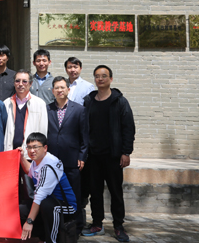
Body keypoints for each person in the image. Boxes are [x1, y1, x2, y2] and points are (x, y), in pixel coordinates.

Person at [81, 65, 135, 243]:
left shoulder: (120, 101)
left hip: (113, 156)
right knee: (95, 192)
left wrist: (126, 152)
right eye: (97, 76)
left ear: (110, 79)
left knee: (115, 192)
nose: (100, 79)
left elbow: (128, 128)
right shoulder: (89, 101)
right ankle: (97, 224)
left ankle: (118, 226)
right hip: (93, 156)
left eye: (104, 76)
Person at [46, 76, 89, 235]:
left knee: (73, 194)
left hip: (72, 160)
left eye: (62, 87)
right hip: (52, 160)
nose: (60, 90)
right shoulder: (47, 109)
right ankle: (57, 226)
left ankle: (76, 227)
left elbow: (84, 136)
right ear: (53, 91)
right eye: (56, 88)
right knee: (54, 193)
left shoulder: (79, 110)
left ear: (68, 90)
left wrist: (82, 157)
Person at [19, 132, 77, 243]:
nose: (32, 151)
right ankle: (41, 236)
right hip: (48, 202)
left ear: (45, 148)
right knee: (21, 210)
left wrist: (29, 222)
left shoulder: (50, 164)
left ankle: (52, 240)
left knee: (46, 205)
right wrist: (21, 157)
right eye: (29, 147)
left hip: (66, 205)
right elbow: (30, 171)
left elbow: (39, 196)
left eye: (35, 147)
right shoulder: (37, 161)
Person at [3, 70, 48, 151]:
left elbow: (43, 130)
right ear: (14, 83)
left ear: (30, 84)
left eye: (24, 81)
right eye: (17, 81)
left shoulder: (39, 104)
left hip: (31, 152)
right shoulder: (6, 103)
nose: (20, 84)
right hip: (10, 151)